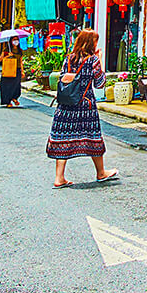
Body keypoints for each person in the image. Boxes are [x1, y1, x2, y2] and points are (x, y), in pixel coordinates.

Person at [47, 29, 117, 188]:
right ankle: (101, 172)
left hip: (66, 106)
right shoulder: (93, 60)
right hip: (85, 106)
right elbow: (100, 84)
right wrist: (99, 60)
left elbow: (63, 79)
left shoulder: (68, 59)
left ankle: (59, 178)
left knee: (63, 137)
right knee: (93, 137)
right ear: (91, 43)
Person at [0, 39, 23, 107]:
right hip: (8, 70)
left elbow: (21, 61)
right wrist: (7, 56)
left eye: (17, 40)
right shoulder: (6, 50)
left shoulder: (20, 50)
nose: (16, 41)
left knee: (17, 86)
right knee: (7, 87)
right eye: (14, 40)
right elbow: (0, 59)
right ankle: (8, 102)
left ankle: (14, 98)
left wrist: (22, 71)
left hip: (17, 69)